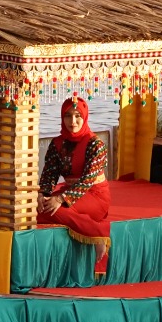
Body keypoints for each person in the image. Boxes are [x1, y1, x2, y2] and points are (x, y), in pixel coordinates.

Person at [37, 97, 112, 244]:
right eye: (67, 116)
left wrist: (60, 199)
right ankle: (78, 222)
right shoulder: (57, 143)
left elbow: (87, 181)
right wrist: (42, 194)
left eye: (78, 116)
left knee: (55, 210)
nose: (72, 122)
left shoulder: (96, 145)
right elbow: (49, 174)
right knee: (35, 209)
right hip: (68, 191)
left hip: (95, 195)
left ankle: (97, 235)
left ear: (85, 117)